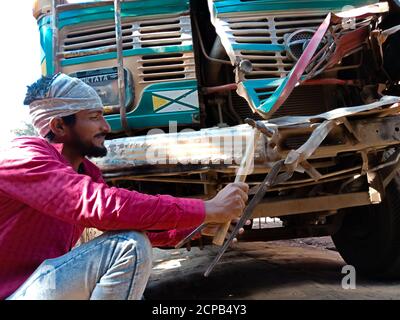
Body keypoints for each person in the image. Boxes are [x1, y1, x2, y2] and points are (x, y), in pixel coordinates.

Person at [0, 73, 249, 300]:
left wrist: (196, 228)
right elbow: (104, 207)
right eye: (95, 117)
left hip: (37, 287)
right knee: (128, 246)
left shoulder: (86, 172)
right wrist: (209, 208)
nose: (106, 127)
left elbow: (132, 224)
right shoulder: (23, 157)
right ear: (59, 126)